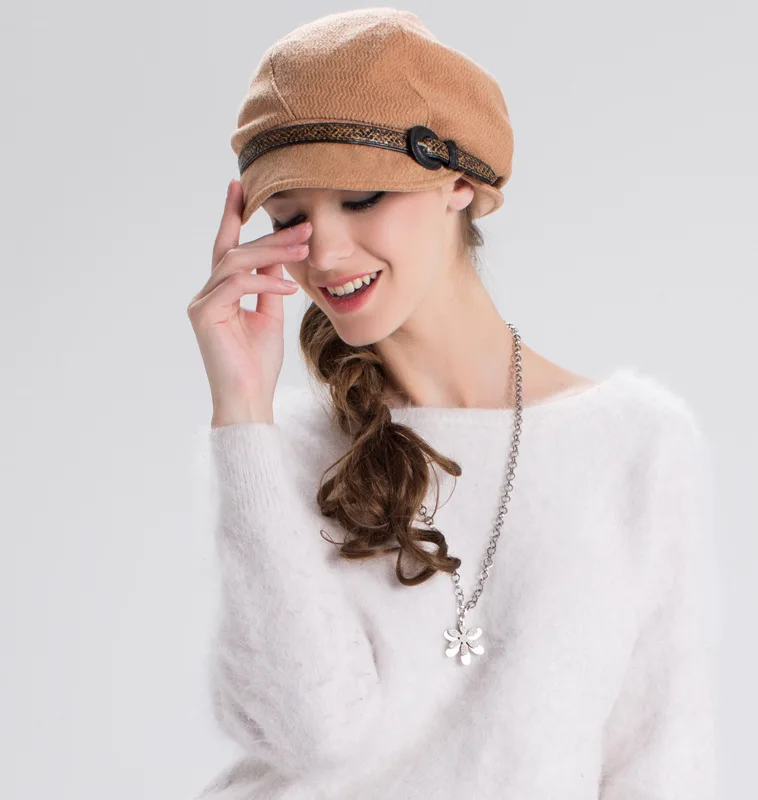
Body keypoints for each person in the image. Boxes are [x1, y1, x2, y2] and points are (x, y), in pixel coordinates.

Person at [187, 9, 718, 799]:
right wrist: (241, 409)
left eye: (360, 197)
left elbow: (662, 757)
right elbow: (311, 736)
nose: (322, 251)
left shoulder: (639, 443)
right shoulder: (278, 448)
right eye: (289, 218)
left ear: (460, 183)